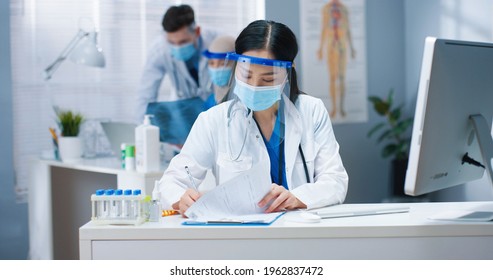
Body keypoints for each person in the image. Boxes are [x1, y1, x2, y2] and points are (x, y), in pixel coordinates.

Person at [158, 20, 348, 216]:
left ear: (288, 71)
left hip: (299, 232)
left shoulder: (312, 111)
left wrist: (299, 197)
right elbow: (171, 181)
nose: (255, 86)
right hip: (242, 237)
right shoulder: (214, 120)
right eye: (247, 76)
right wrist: (181, 197)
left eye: (268, 79)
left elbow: (335, 180)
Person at [135, 4, 218, 123]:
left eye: (183, 42)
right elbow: (145, 95)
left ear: (197, 32)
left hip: (216, 114)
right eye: (171, 42)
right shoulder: (159, 50)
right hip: (185, 115)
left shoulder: (218, 43)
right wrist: (142, 131)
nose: (177, 47)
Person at [317, 0, 356, 119]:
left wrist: (352, 48)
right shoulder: (326, 9)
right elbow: (324, 28)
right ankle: (334, 108)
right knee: (333, 78)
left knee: (342, 77)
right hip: (331, 46)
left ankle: (342, 108)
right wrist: (320, 48)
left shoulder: (344, 9)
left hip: (342, 46)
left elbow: (348, 29)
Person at [201, 35, 236, 110]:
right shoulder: (211, 101)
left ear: (236, 64)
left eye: (223, 64)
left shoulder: (244, 102)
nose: (215, 69)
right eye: (212, 63)